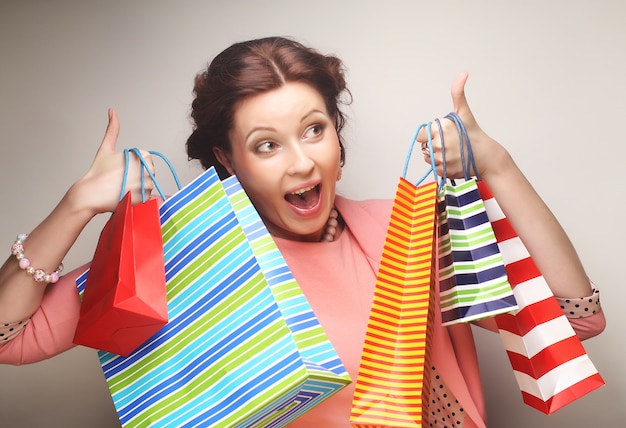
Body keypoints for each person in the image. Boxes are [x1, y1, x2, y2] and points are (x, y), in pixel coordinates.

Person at [0, 36, 605, 427]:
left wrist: (495, 164)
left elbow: (574, 319)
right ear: (229, 160)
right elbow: (7, 339)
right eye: (266, 145)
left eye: (314, 130)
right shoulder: (179, 259)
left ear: (337, 135)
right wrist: (75, 205)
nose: (301, 163)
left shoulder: (401, 231)